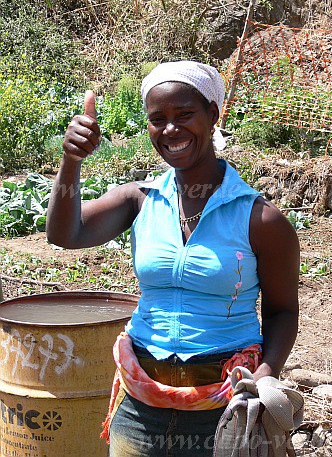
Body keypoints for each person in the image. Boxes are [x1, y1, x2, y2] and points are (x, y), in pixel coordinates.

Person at [46, 60, 299, 457]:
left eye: (185, 115)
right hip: (140, 405)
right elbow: (66, 234)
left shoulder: (260, 219)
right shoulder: (139, 200)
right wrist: (71, 162)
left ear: (213, 115)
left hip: (225, 407)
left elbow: (283, 311)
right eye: (157, 118)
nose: (170, 130)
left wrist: (265, 376)